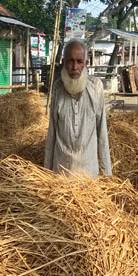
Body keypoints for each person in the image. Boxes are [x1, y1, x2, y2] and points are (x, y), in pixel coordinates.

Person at [44, 39, 112, 178]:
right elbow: (52, 133)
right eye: (70, 61)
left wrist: (107, 175)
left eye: (79, 62)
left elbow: (102, 133)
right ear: (63, 63)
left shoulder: (96, 88)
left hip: (89, 178)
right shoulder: (57, 88)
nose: (75, 67)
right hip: (61, 176)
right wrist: (46, 172)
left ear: (86, 64)